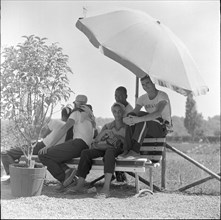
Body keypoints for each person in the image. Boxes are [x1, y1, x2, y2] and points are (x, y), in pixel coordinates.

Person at [65, 102, 126, 198]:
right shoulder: (107, 126)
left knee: (110, 152)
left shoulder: (127, 126)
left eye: (119, 112)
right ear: (112, 112)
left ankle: (106, 189)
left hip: (117, 150)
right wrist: (104, 133)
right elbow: (97, 140)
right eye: (115, 111)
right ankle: (80, 185)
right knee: (85, 153)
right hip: (105, 147)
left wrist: (116, 137)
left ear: (123, 112)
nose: (117, 114)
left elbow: (126, 144)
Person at [38, 95, 95, 189]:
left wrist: (49, 145)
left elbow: (65, 128)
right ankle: (67, 172)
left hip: (78, 144)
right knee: (55, 154)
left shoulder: (76, 112)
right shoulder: (90, 114)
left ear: (76, 103)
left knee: (43, 154)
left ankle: (66, 179)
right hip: (84, 146)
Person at [1, 107, 72, 179]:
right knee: (22, 151)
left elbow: (43, 135)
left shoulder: (56, 122)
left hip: (42, 146)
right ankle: (16, 174)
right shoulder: (72, 127)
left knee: (5, 153)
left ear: (62, 115)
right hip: (55, 150)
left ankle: (14, 176)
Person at [118, 74, 172, 159]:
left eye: (147, 83)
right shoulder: (142, 98)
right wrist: (126, 119)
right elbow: (134, 112)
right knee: (131, 116)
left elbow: (157, 113)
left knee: (142, 119)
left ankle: (135, 151)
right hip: (150, 126)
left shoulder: (162, 96)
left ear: (153, 83)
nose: (145, 86)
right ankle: (126, 150)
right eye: (143, 84)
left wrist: (138, 119)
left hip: (162, 127)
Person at [114, 86, 133, 182]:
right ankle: (119, 178)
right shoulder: (119, 108)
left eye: (120, 96)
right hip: (121, 138)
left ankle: (120, 178)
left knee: (113, 149)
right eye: (116, 96)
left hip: (127, 141)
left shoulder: (129, 110)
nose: (117, 98)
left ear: (126, 96)